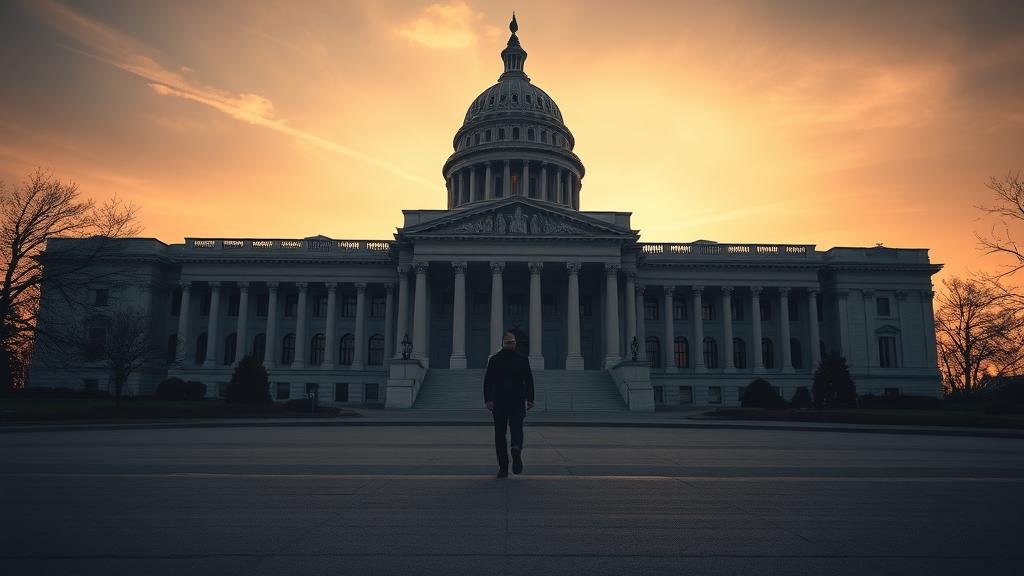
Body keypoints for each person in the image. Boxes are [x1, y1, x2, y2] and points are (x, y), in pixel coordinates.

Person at [484, 330, 535, 478]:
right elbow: (529, 380)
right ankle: (516, 447)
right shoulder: (522, 359)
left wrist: (488, 399)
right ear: (515, 344)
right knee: (517, 429)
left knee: (500, 434)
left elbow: (488, 381)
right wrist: (530, 399)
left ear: (502, 344)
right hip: (517, 400)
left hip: (499, 401)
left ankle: (503, 468)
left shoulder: (494, 360)